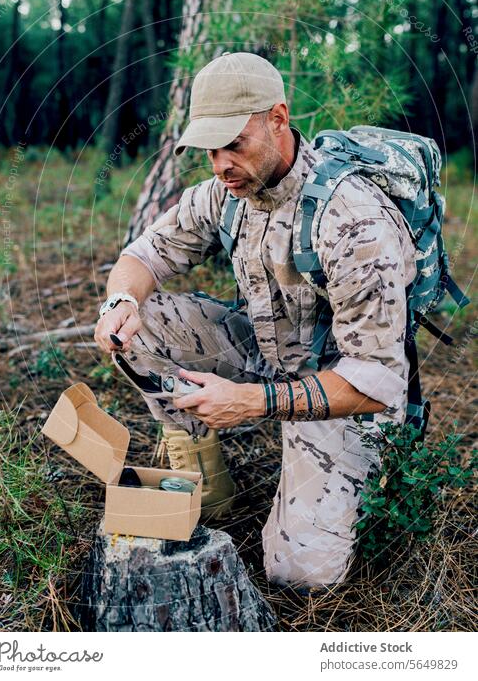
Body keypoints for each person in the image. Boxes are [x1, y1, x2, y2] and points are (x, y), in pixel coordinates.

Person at [94, 51, 416, 589]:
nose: (221, 164)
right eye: (211, 150)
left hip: (342, 392)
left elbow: (378, 383)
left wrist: (246, 403)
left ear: (278, 120)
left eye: (235, 145)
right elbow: (143, 257)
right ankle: (206, 481)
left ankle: (357, 480)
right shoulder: (226, 193)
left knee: (301, 574)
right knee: (141, 323)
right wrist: (119, 303)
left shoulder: (351, 220)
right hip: (266, 357)